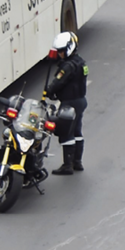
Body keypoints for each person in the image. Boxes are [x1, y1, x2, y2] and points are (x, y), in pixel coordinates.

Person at [43, 30, 89, 174]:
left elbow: (59, 82)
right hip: (80, 101)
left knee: (66, 132)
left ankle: (67, 165)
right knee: (77, 131)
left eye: (62, 51)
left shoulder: (68, 66)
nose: (60, 54)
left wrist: (49, 90)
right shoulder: (80, 62)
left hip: (70, 103)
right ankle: (77, 162)